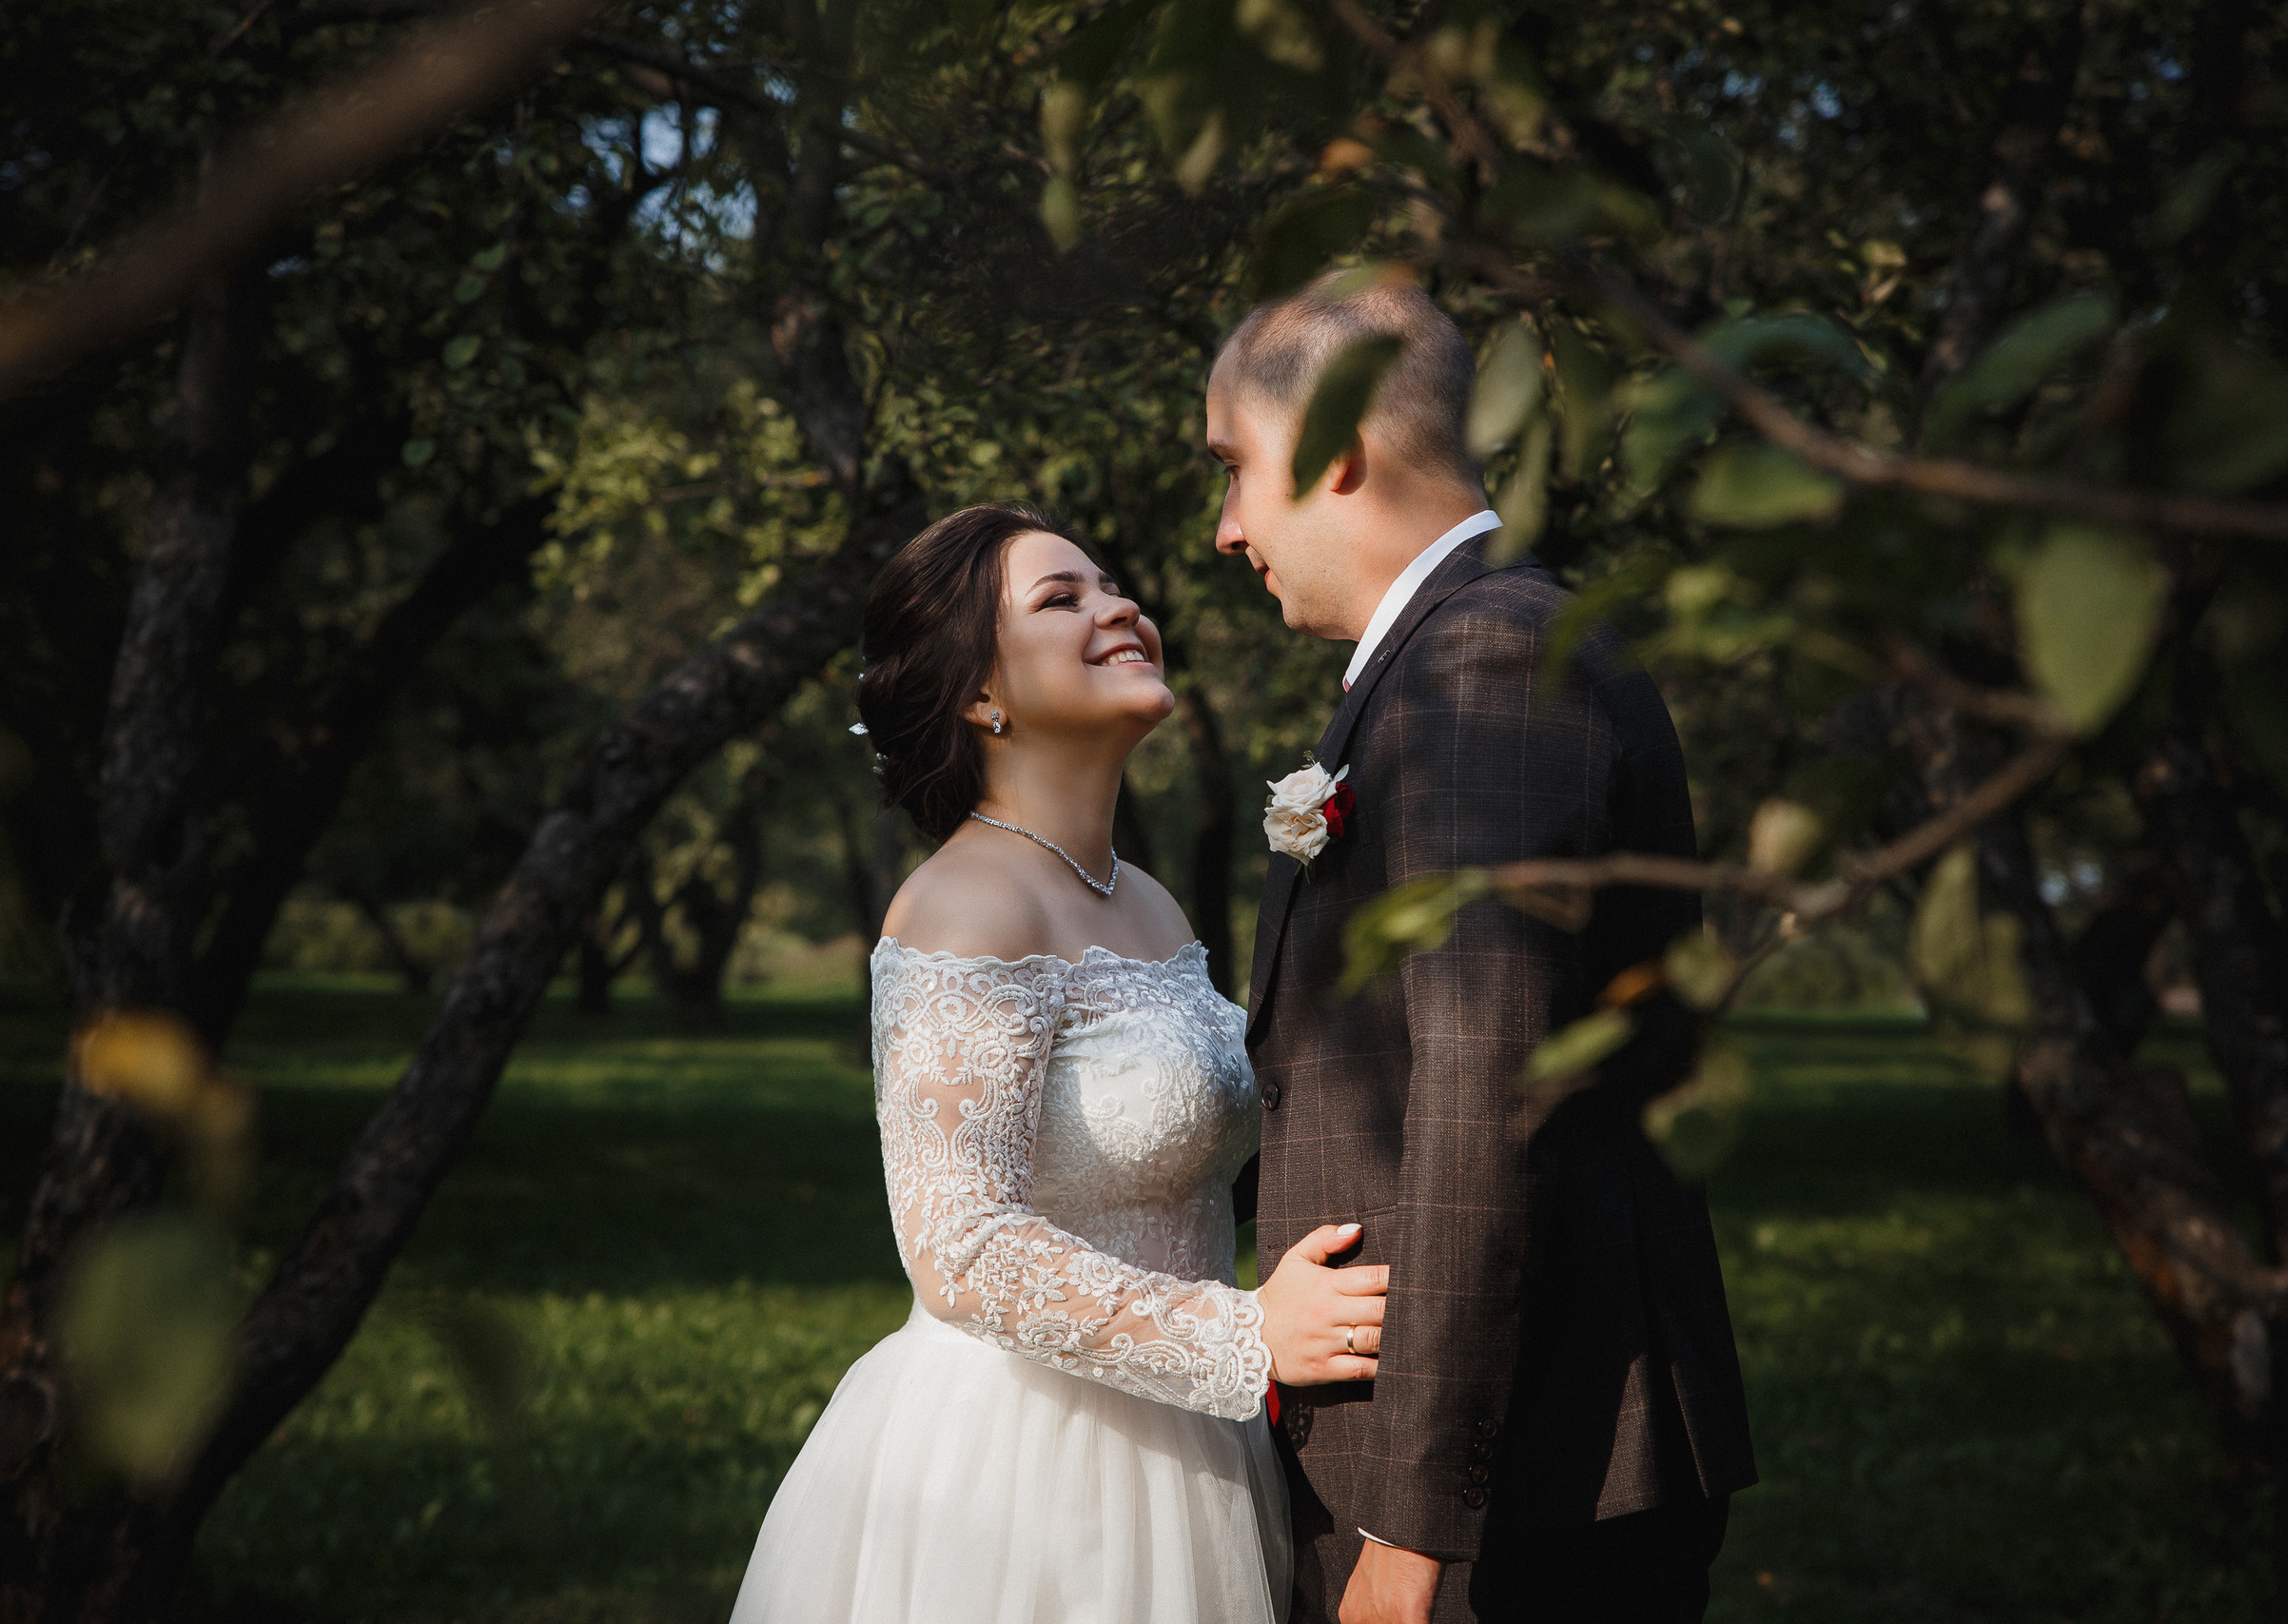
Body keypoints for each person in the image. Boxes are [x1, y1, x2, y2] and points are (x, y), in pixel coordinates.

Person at [729, 503, 1387, 1624]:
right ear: (979, 695)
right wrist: (1244, 1331)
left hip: (1193, 1444)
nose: (1119, 606)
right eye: (1060, 597)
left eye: (1110, 583)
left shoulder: (1143, 898)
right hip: (1026, 1473)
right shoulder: (962, 902)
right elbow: (960, 1248)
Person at [1212, 272, 1757, 1624]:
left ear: (1336, 448)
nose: (1224, 529)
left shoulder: (1489, 667)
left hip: (1523, 1499)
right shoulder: (1457, 658)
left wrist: (1411, 1532)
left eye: (1232, 470)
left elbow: (1479, 1096)